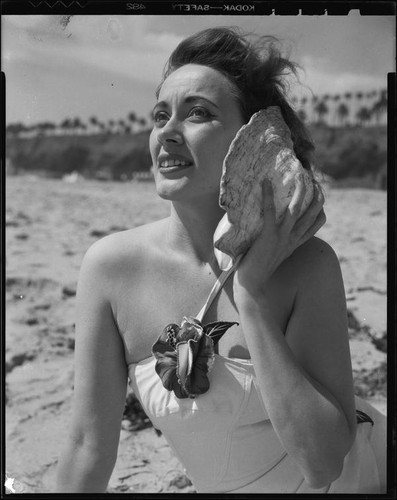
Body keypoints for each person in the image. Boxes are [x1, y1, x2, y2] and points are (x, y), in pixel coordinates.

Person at [56, 27, 386, 493]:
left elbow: (324, 463)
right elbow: (87, 444)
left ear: (251, 140)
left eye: (198, 114)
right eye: (159, 115)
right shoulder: (111, 267)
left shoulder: (307, 265)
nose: (167, 132)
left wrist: (249, 296)